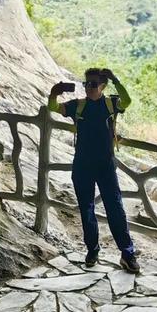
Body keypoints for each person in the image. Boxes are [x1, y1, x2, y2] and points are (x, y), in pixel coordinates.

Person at [48, 67, 140, 273]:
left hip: (105, 165)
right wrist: (54, 92)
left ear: (103, 86)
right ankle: (92, 250)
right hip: (82, 165)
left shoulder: (111, 104)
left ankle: (127, 253)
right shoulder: (78, 106)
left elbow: (128, 101)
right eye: (86, 84)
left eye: (93, 84)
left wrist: (116, 79)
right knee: (86, 209)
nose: (88, 87)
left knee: (115, 208)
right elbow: (54, 108)